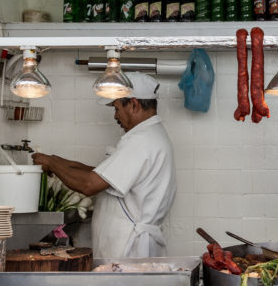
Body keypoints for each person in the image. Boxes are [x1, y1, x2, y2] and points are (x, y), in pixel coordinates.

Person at [32, 73, 176, 259]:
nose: (115, 116)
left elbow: (89, 184)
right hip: (129, 248)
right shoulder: (150, 135)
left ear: (134, 104)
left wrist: (52, 163)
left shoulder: (142, 141)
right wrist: (57, 161)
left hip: (129, 251)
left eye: (116, 108)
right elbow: (104, 175)